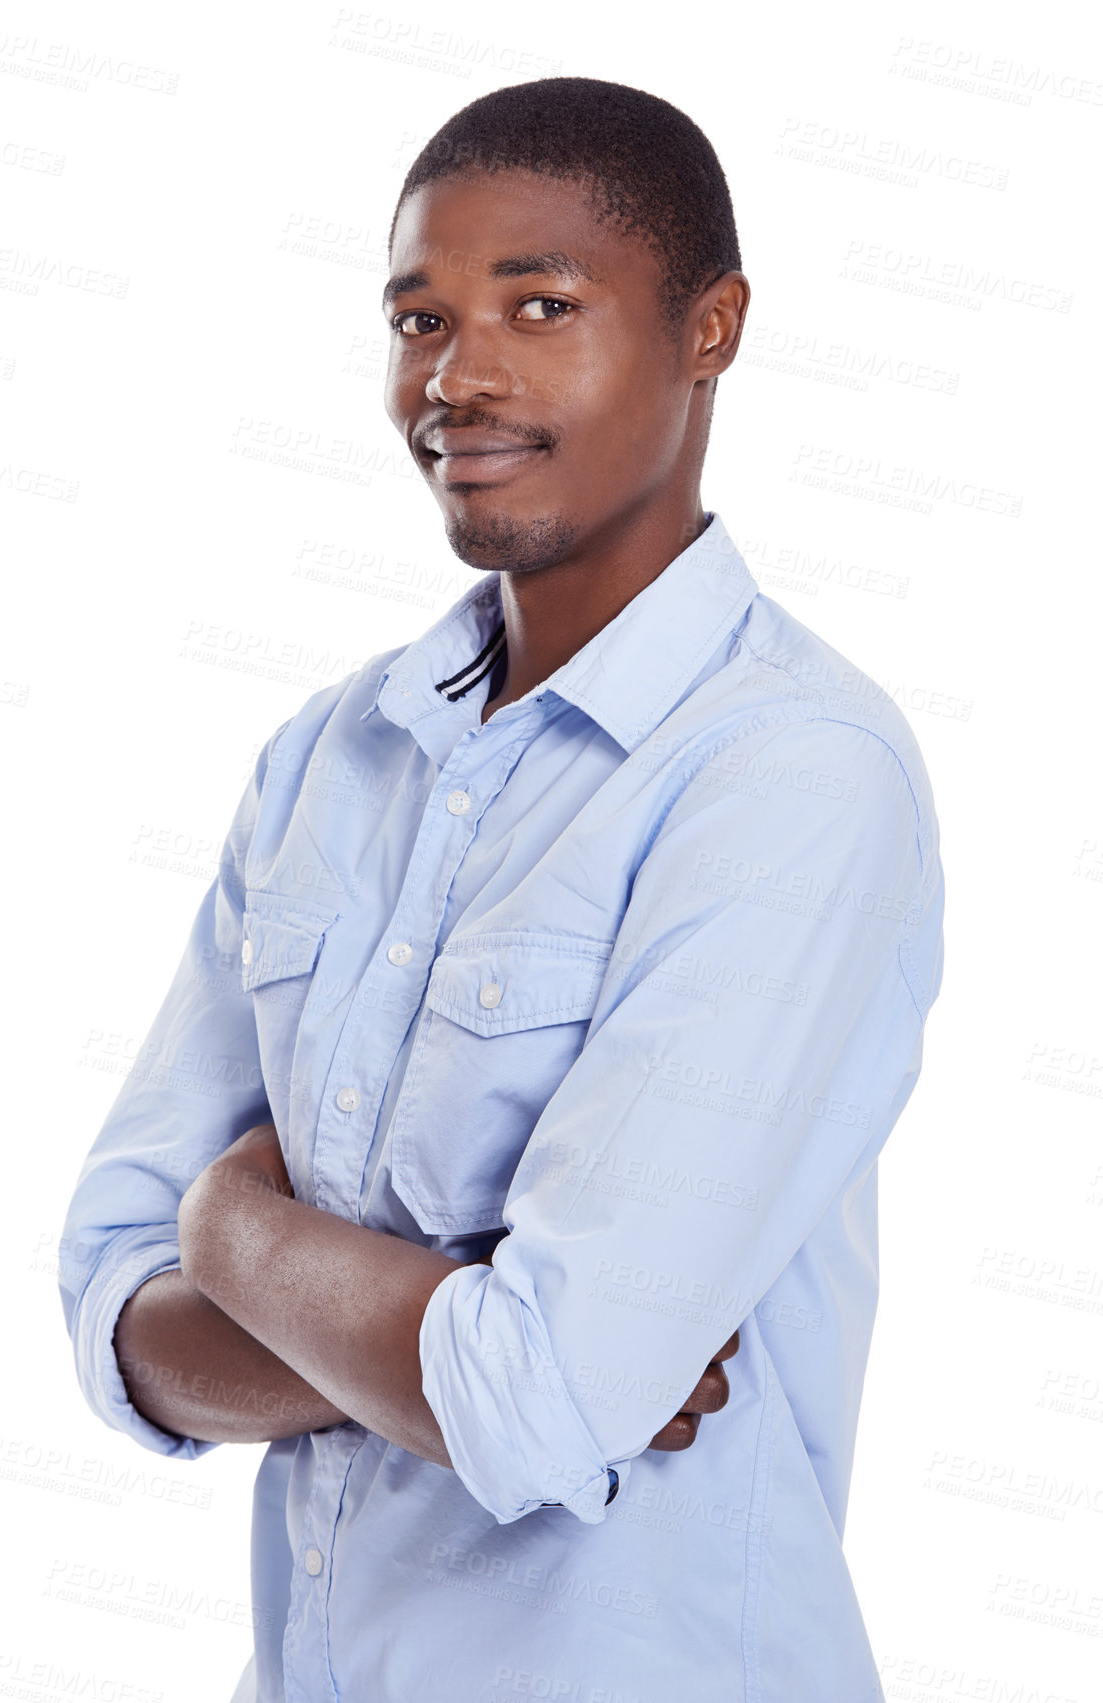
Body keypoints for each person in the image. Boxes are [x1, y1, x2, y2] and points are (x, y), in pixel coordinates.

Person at [59, 76, 944, 1703]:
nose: (456, 377)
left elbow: (535, 1398)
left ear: (710, 329)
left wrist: (235, 1231)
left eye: (540, 306)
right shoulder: (329, 759)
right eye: (417, 318)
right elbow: (112, 1311)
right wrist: (427, 1341)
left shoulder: (790, 776)